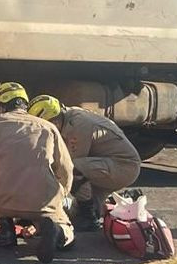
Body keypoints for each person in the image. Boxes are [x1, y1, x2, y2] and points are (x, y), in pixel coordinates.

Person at [0, 82, 75, 263]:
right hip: (42, 204)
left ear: (1, 106)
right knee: (65, 227)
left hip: (1, 203)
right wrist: (62, 194)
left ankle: (6, 228)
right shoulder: (48, 127)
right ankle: (58, 232)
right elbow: (66, 168)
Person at [27, 95, 141, 231]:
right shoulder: (67, 118)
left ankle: (89, 219)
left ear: (53, 121)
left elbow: (66, 168)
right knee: (74, 215)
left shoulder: (77, 126)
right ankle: (124, 199)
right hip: (103, 163)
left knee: (73, 168)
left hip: (124, 167)